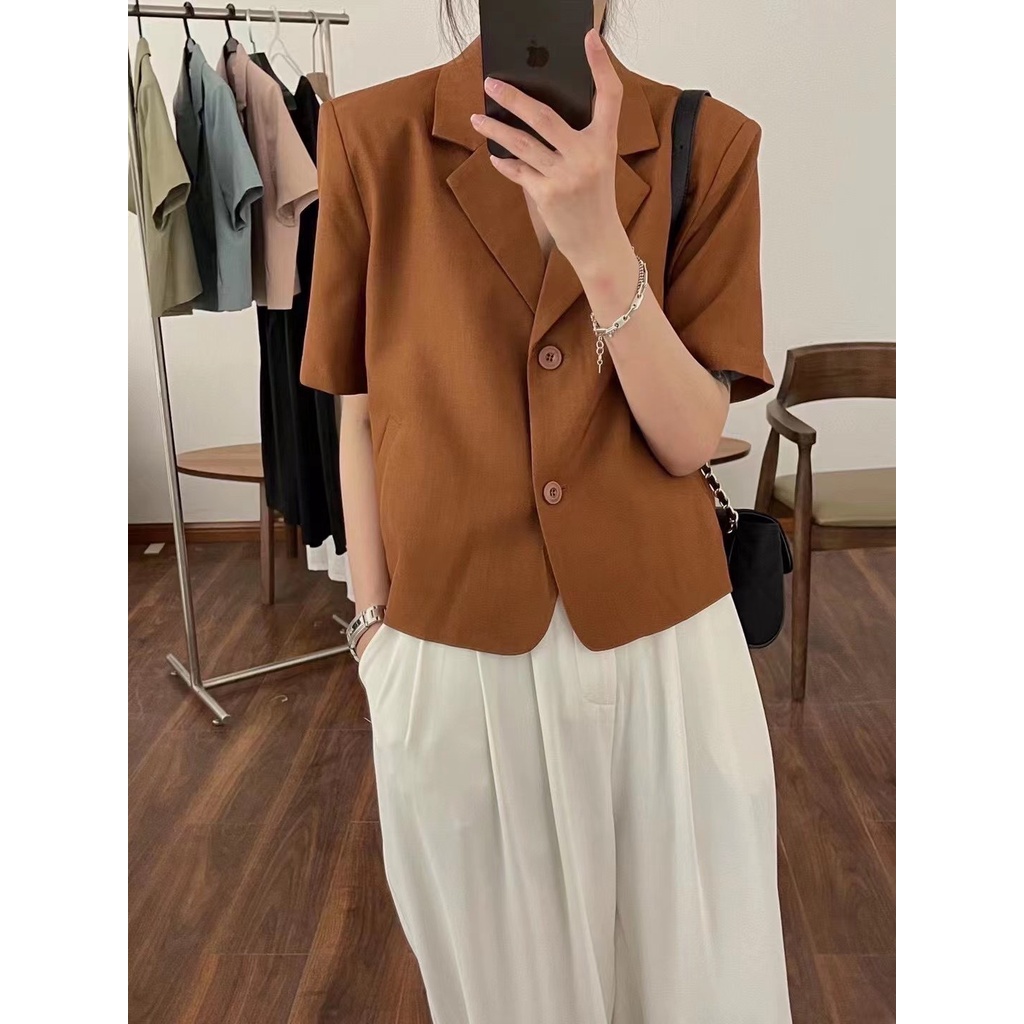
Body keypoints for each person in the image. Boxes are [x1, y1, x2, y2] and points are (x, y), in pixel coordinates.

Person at [300, 2, 793, 1021]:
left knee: (698, 994)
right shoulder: (369, 139)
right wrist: (373, 630)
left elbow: (689, 438)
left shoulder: (708, 143)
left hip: (667, 656)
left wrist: (598, 243)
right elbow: (356, 410)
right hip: (451, 653)